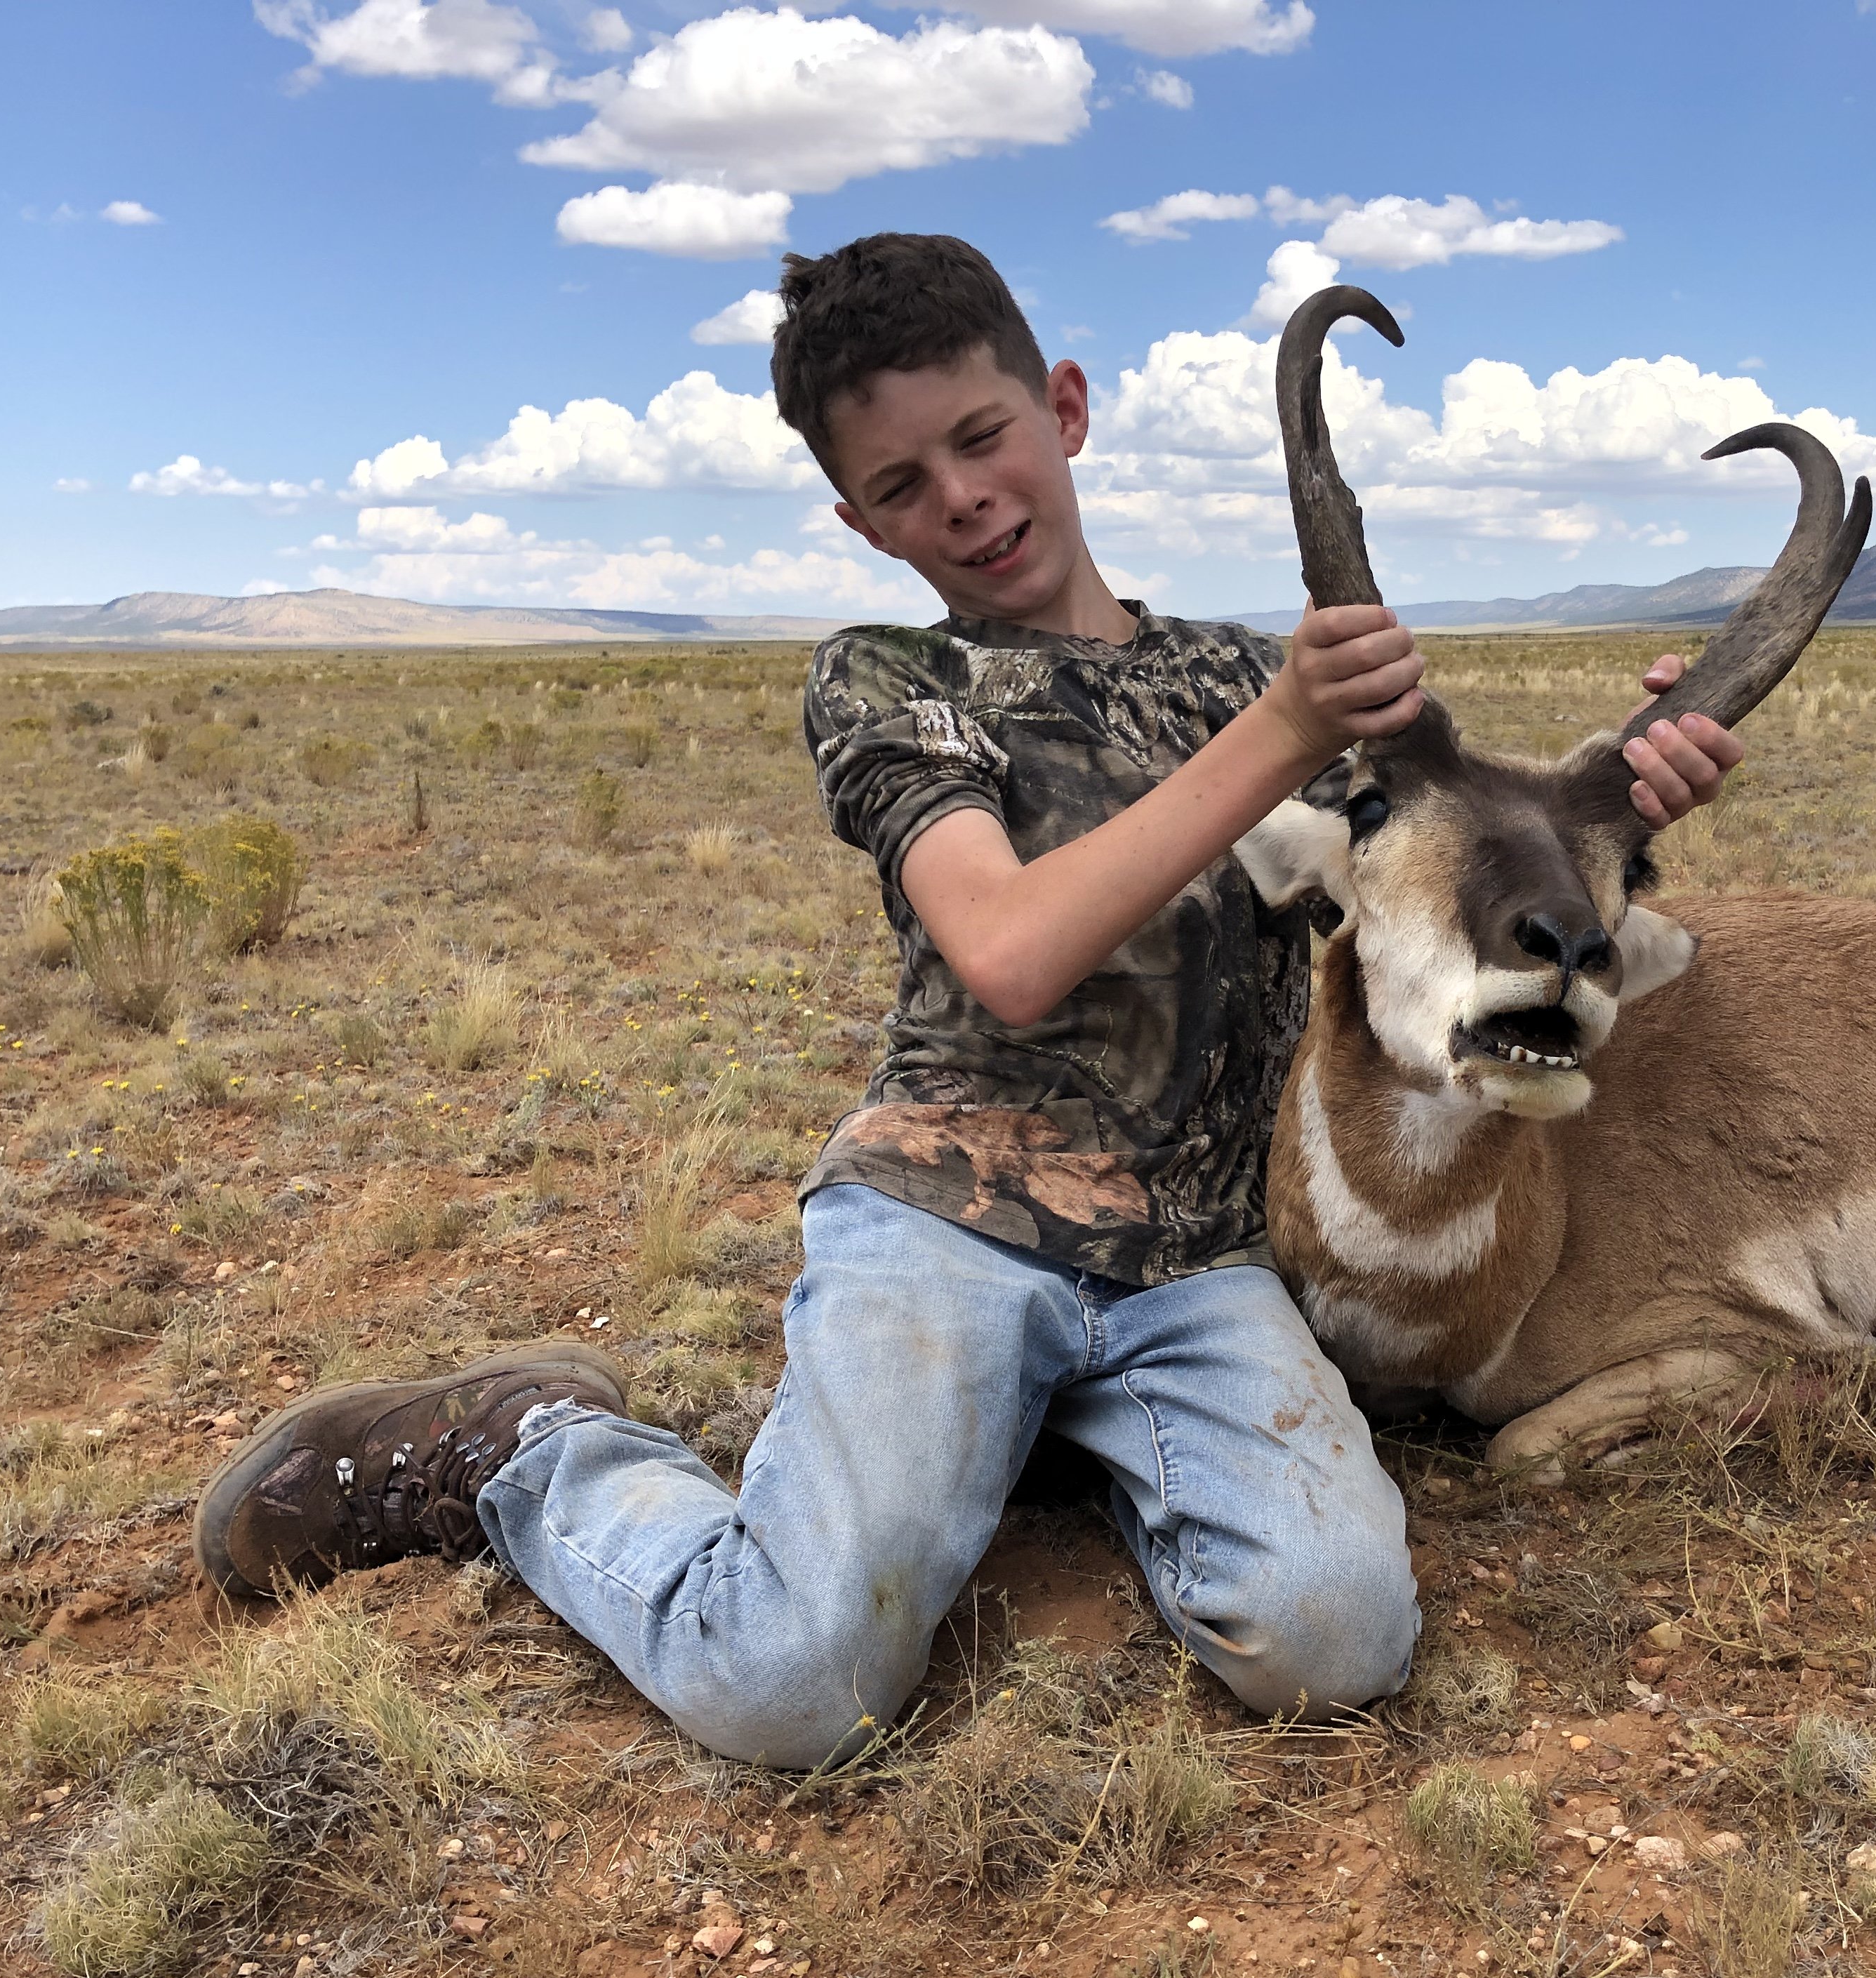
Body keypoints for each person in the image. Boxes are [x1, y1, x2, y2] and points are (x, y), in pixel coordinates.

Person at [193, 232, 1745, 1768]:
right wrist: (1282, 733)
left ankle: (1048, 1444)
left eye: (984, 437)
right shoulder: (894, 685)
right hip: (950, 1226)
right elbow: (1005, 948)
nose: (962, 496)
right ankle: (530, 1448)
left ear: (1063, 409)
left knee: (1338, 1637)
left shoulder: (1243, 681)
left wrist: (1622, 789)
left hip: (1199, 1268)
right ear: (861, 523)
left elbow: (1452, 856)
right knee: (791, 1682)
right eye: (902, 484)